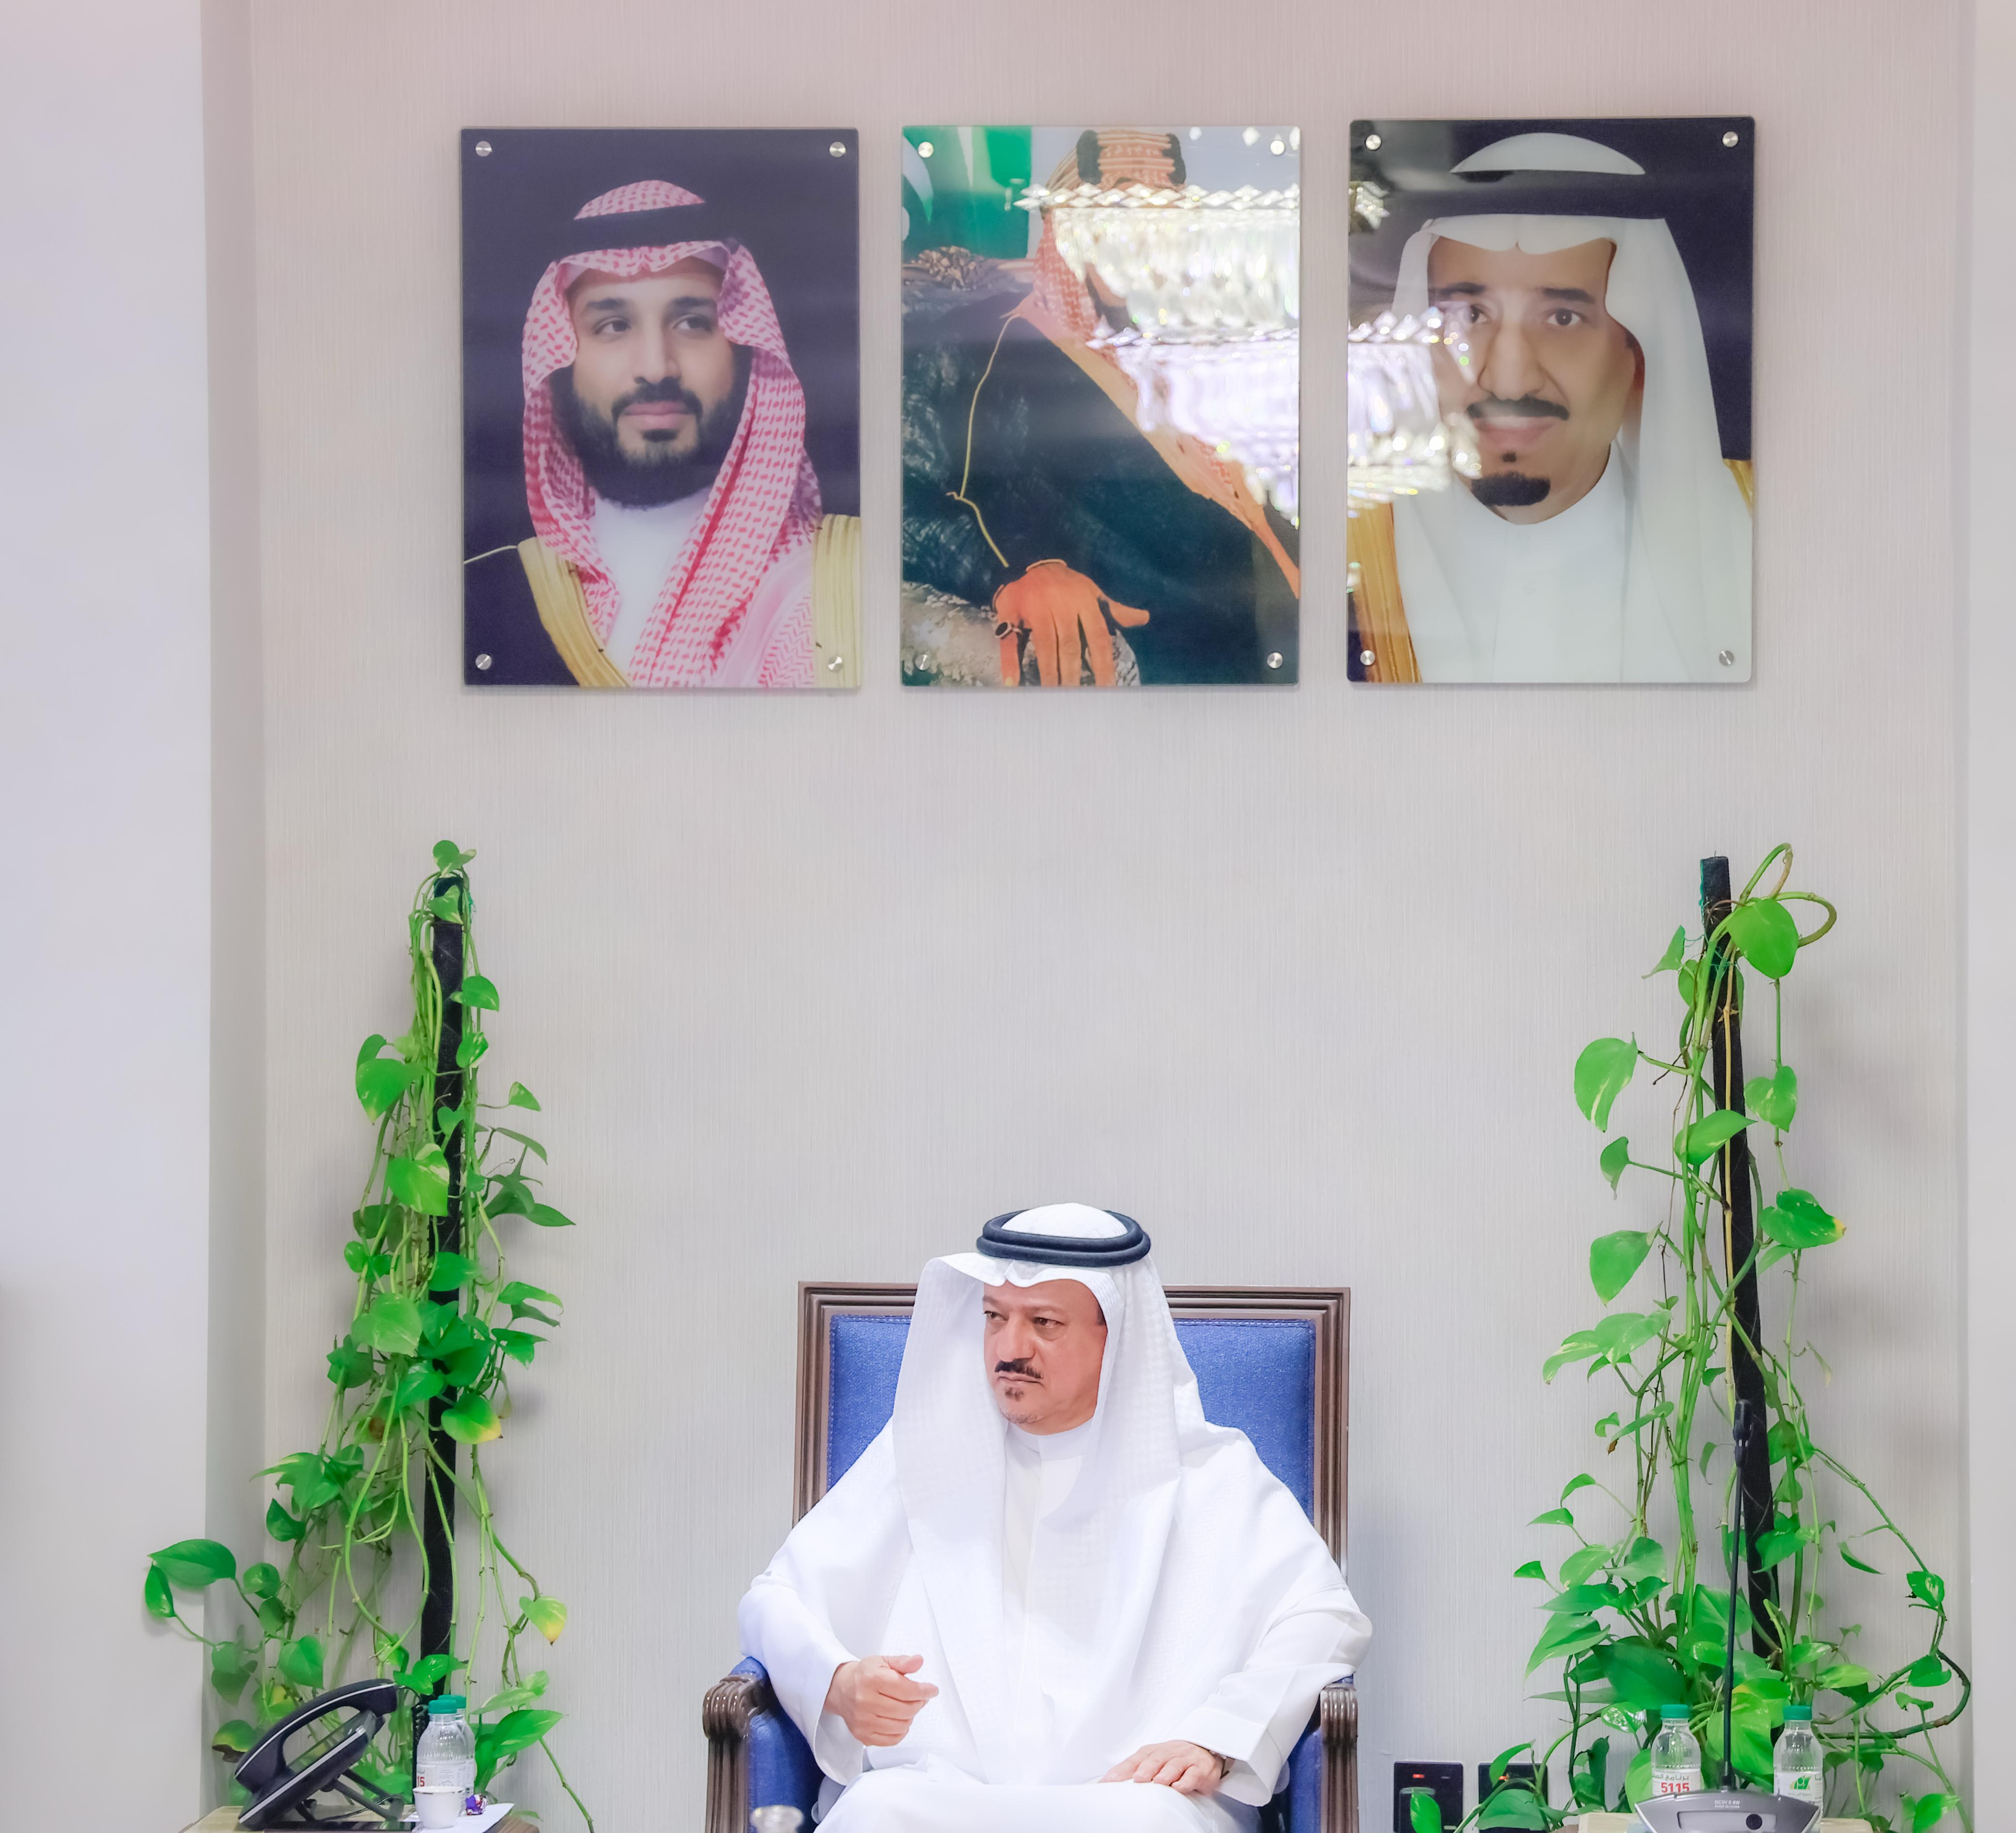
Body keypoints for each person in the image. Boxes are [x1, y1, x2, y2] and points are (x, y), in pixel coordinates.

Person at [739, 1204, 1370, 1831]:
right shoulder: (922, 1455)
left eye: (1044, 1322)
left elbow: (1323, 1616)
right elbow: (775, 1597)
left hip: (1130, 1800)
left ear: (1116, 1335)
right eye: (994, 1316)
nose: (1009, 1348)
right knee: (875, 1811)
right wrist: (838, 1680)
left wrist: (1218, 1737)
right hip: (941, 1791)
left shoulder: (1209, 1474)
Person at [1348, 131, 1752, 683]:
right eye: (1469, 316)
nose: (1508, 378)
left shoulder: (1759, 533)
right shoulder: (1335, 547)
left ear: (1636, 353)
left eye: (1563, 318)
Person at [901, 131, 1301, 687]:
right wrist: (1020, 572)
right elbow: (911, 497)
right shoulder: (993, 342)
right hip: (1177, 677)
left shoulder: (1174, 358)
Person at [464, 178, 857, 688]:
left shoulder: (845, 586)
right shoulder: (488, 600)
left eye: (692, 323)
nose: (656, 367)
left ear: (743, 349)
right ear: (559, 357)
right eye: (613, 326)